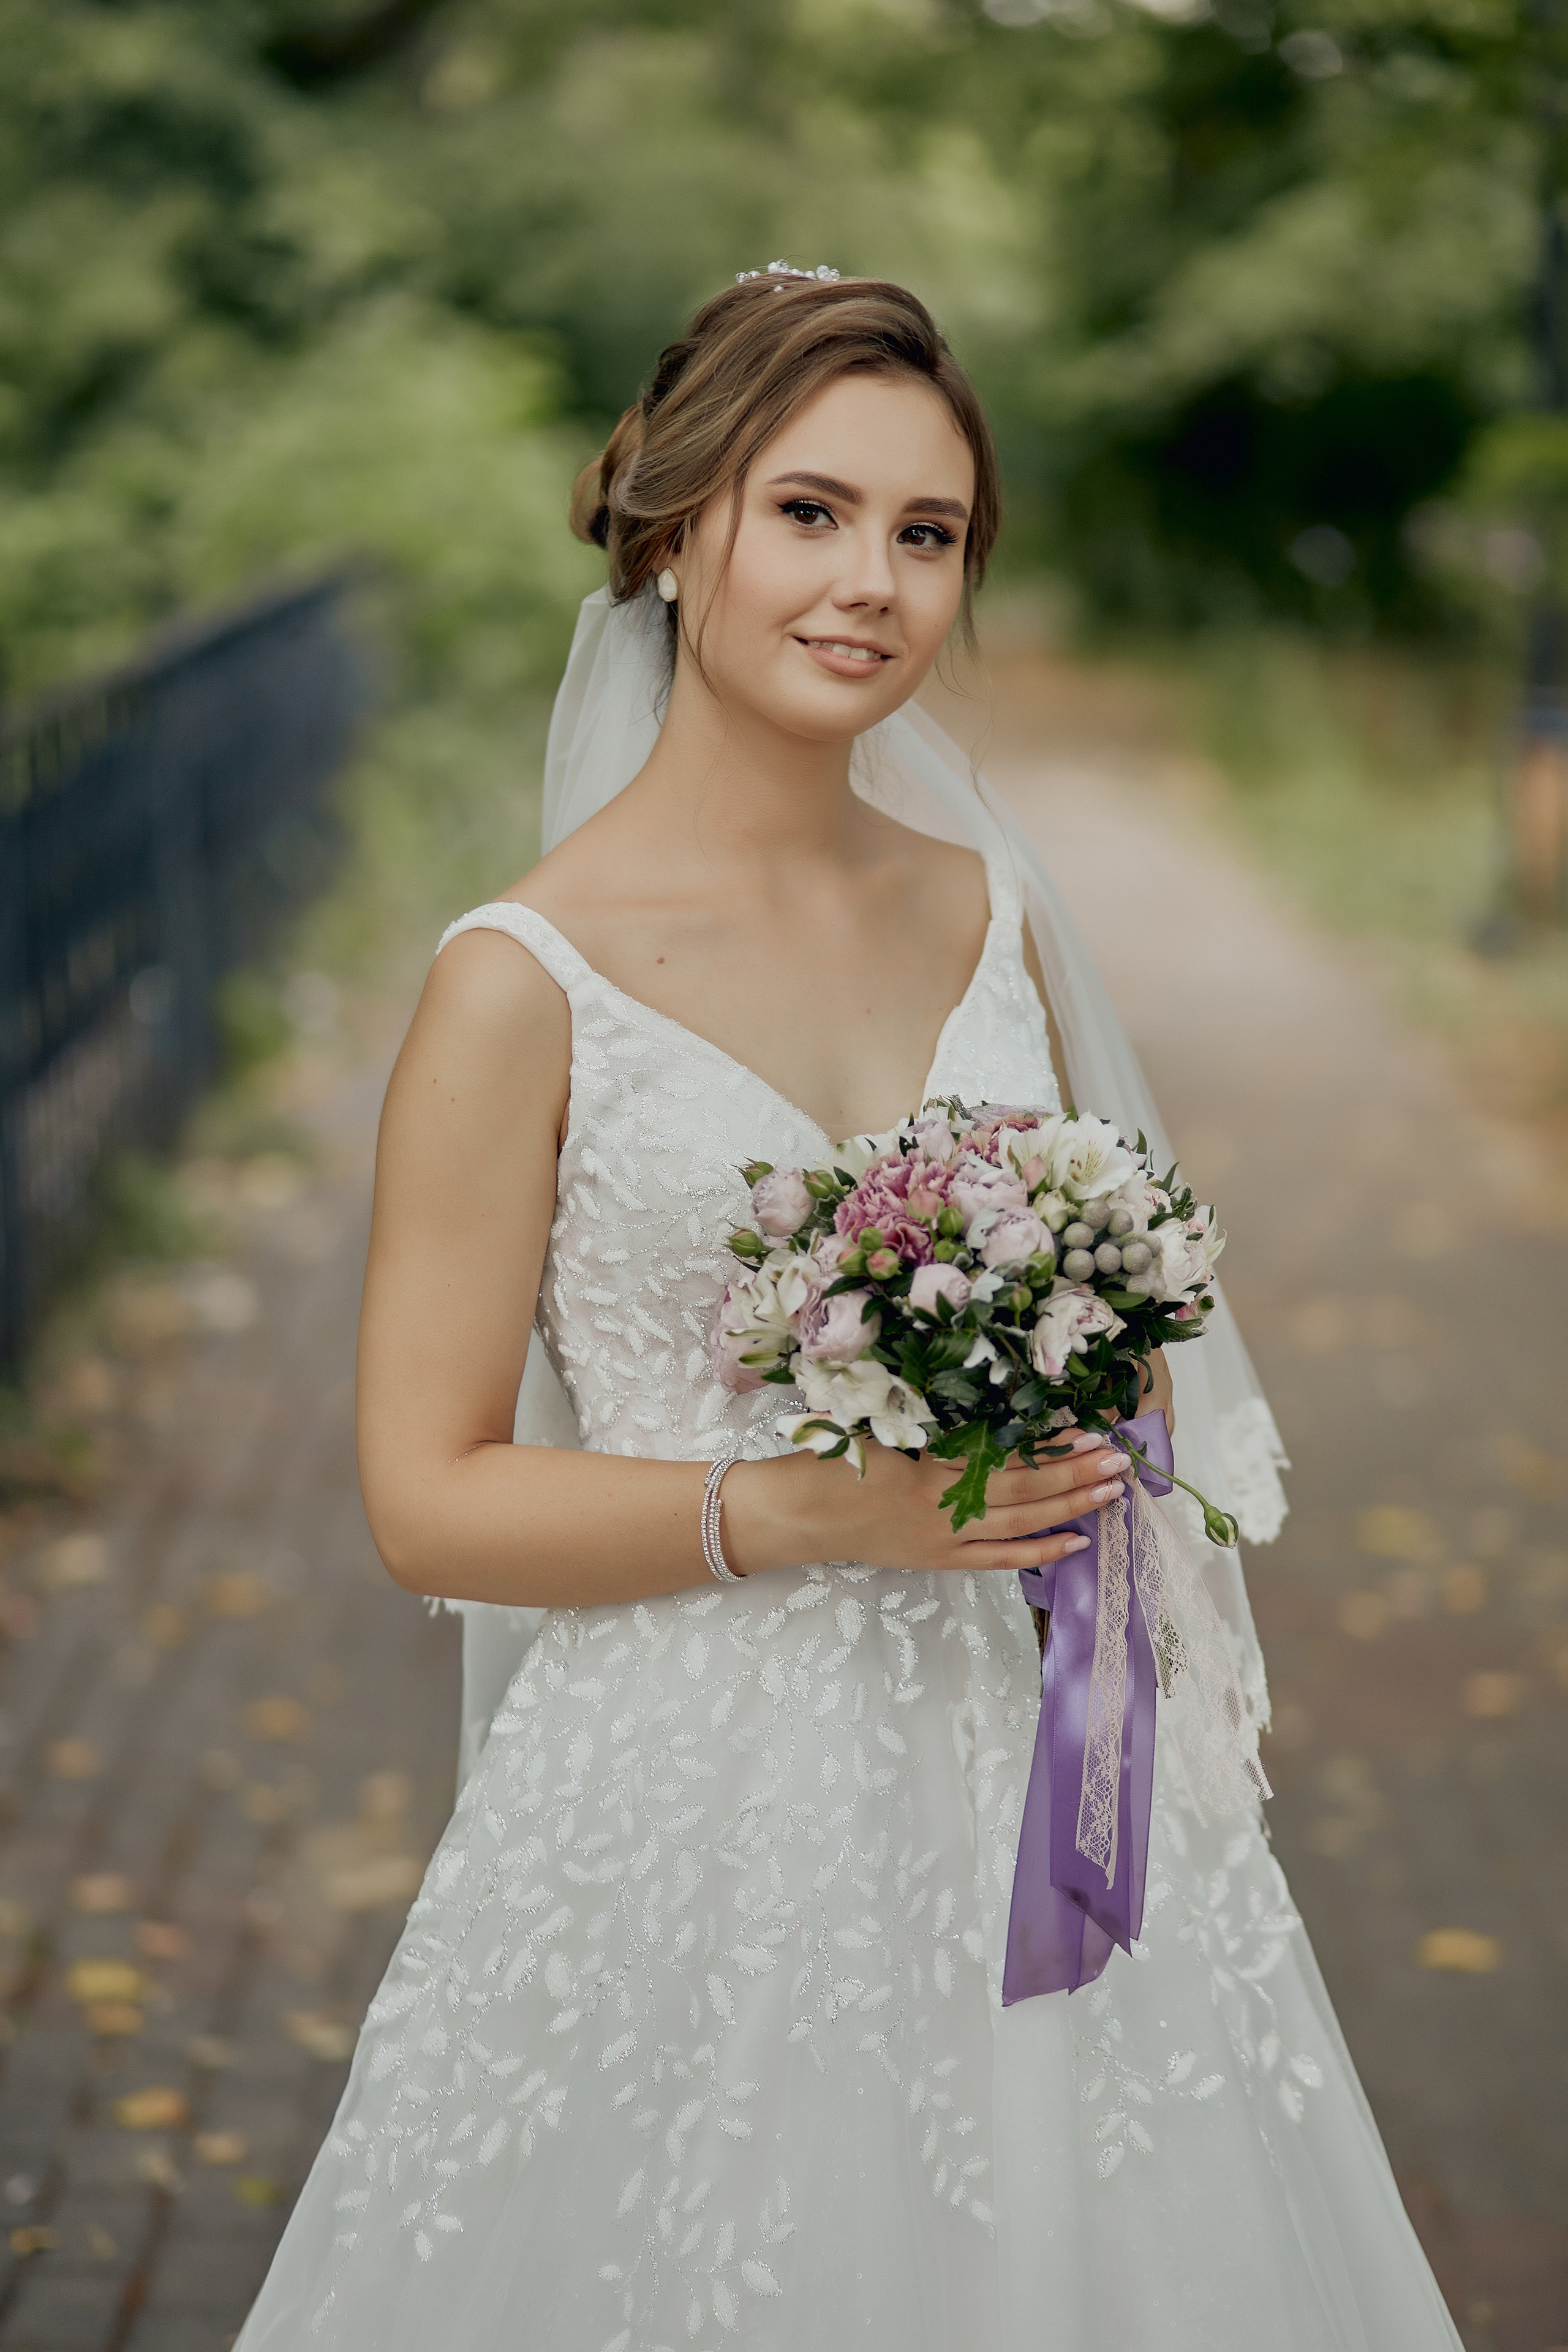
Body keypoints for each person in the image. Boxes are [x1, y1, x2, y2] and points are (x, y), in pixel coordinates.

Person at [235, 269, 1460, 2349]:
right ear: (667, 522)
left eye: (928, 534)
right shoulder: (517, 985)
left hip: (1028, 1781)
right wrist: (804, 1509)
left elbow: (1126, 1366)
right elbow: (427, 1502)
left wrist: (1096, 1429)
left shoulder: (996, 918)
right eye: (811, 513)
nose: (873, 585)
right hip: (685, 1818)